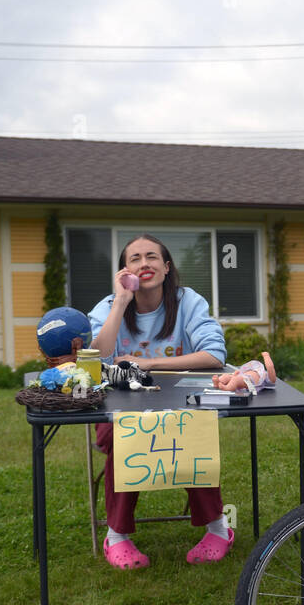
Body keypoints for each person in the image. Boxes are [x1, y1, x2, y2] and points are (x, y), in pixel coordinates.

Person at [88, 234, 233, 569]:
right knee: (126, 435)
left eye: (152, 257)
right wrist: (121, 302)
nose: (144, 264)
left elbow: (214, 354)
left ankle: (217, 530)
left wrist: (148, 364)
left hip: (178, 405)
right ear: (125, 271)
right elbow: (95, 359)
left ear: (166, 268)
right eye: (134, 259)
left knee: (190, 431)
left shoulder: (188, 302)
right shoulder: (109, 306)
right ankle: (117, 536)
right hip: (120, 408)